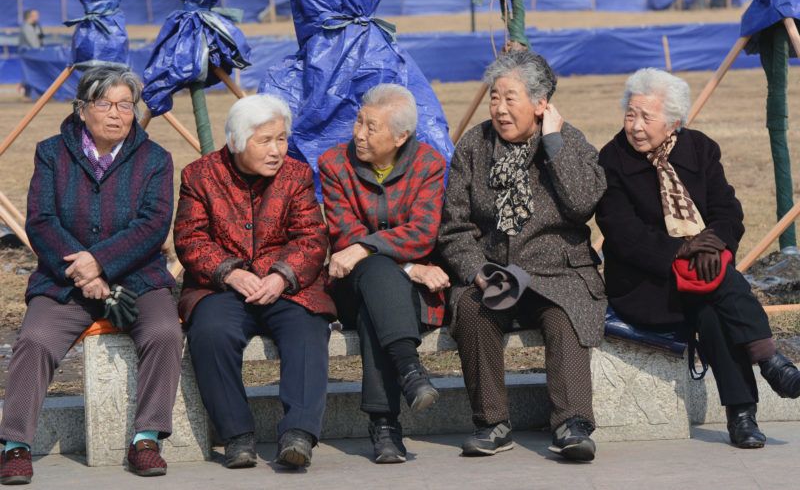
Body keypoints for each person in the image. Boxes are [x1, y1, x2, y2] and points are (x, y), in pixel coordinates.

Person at [596, 67, 800, 449]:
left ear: (673, 123)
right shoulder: (612, 160)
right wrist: (682, 251)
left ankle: (742, 417)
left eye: (646, 117)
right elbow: (624, 235)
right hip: (647, 285)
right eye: (630, 114)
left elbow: (728, 212)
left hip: (703, 274)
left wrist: (710, 244)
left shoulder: (700, 149)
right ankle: (768, 364)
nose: (635, 126)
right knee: (720, 289)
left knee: (710, 307)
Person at [0, 66, 183, 484]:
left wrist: (100, 262)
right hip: (66, 280)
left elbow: (153, 224)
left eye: (126, 104)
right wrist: (84, 272)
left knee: (164, 334)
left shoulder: (155, 158)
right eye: (105, 103)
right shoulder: (51, 152)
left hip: (137, 277)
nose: (117, 114)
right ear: (82, 109)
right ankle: (15, 446)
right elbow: (41, 221)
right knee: (34, 339)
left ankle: (147, 438)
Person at [438, 50, 607, 461]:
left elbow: (583, 203)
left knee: (564, 317)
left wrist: (553, 144)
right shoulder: (474, 147)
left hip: (558, 271)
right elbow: (454, 227)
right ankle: (491, 423)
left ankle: (572, 424)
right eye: (495, 98)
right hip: (494, 270)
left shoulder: (569, 142)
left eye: (510, 99)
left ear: (540, 102)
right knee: (475, 312)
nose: (499, 109)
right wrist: (476, 270)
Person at [174, 94, 335, 470]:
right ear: (236, 141)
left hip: (287, 284)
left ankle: (298, 434)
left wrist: (282, 276)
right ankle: (237, 436)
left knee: (308, 329)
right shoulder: (199, 175)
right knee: (212, 333)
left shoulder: (296, 175)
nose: (277, 150)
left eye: (281, 139)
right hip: (222, 285)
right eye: (265, 141)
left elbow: (312, 238)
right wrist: (229, 271)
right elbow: (190, 238)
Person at [318, 83, 448, 464]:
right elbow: (344, 234)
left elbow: (424, 231)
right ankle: (409, 369)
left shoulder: (428, 164)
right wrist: (407, 265)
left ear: (401, 136)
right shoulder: (333, 164)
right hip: (351, 283)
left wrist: (366, 248)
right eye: (359, 121)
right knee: (374, 271)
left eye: (371, 127)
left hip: (400, 293)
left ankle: (385, 426)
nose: (358, 133)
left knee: (376, 302)